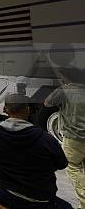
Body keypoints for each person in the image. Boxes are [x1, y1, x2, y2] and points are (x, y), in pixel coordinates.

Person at [0, 94, 70, 209]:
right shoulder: (45, 139)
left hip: (3, 193)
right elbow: (62, 164)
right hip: (39, 200)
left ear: (4, 109)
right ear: (28, 110)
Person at [45, 62, 84, 209]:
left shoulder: (65, 90)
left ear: (66, 77)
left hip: (73, 138)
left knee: (73, 168)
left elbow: (47, 102)